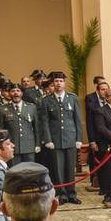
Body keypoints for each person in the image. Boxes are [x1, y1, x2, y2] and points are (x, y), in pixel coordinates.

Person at [39, 71, 82, 204]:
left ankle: (72, 193)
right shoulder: (46, 100)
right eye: (56, 81)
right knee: (58, 168)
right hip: (55, 139)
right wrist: (48, 139)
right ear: (53, 83)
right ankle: (62, 194)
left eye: (61, 81)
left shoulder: (72, 98)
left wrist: (79, 138)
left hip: (70, 138)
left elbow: (77, 120)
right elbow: (44, 122)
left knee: (70, 168)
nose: (58, 83)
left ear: (64, 83)